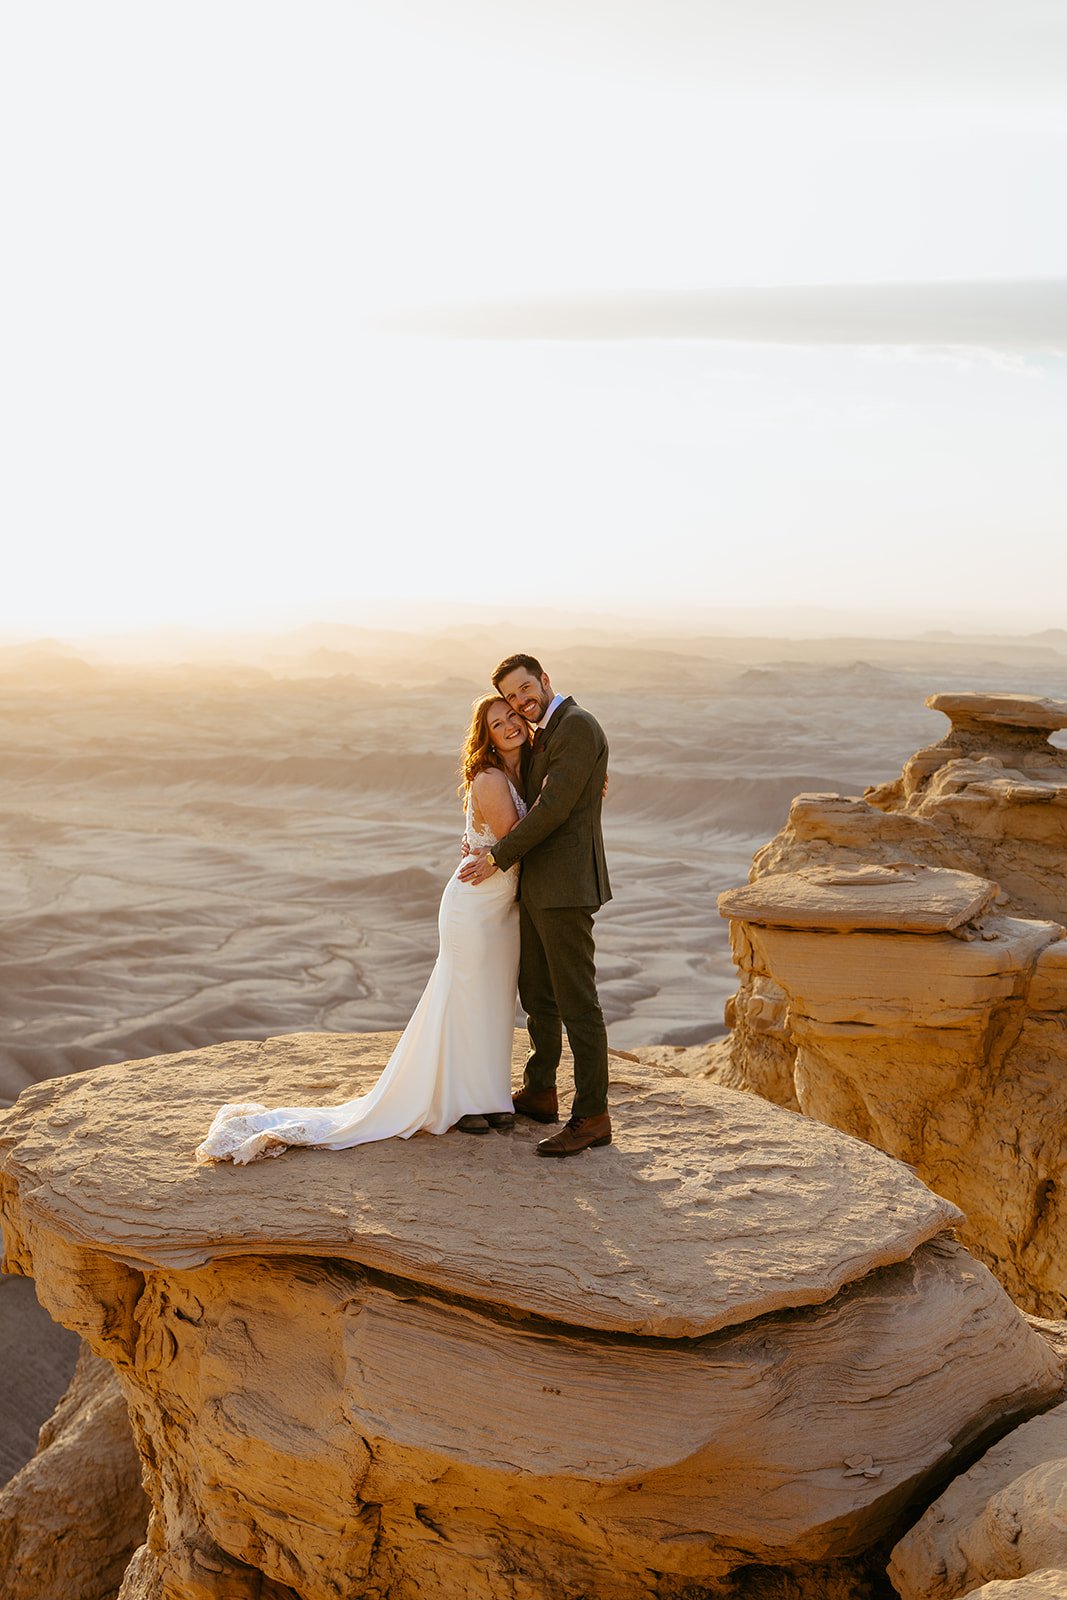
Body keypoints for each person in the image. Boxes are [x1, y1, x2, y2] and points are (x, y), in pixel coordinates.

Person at [194, 694, 531, 1164]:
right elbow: (515, 836)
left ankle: (489, 1097)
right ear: (487, 737)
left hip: (502, 907)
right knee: (464, 997)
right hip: (474, 904)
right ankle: (461, 1103)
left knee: (492, 998)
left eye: (513, 715)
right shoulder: (491, 777)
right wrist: (562, 801)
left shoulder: (521, 772)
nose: (510, 725)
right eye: (497, 723)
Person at [459, 653, 612, 1158]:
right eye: (512, 697)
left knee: (577, 1002)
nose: (521, 702)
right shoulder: (544, 732)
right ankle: (541, 1090)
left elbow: (552, 808)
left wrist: (497, 856)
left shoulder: (576, 725)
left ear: (545, 680)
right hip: (538, 887)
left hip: (565, 887)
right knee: (538, 995)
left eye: (526, 689)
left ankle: (591, 1116)